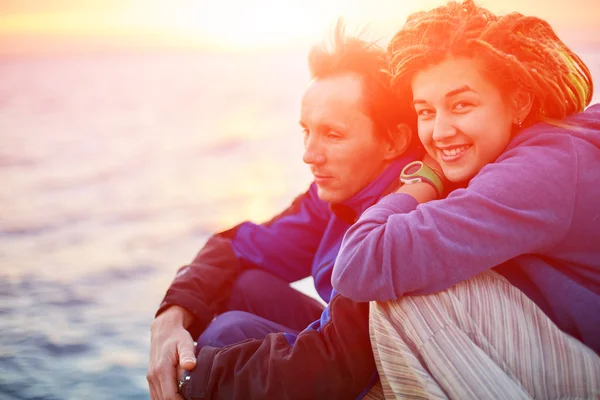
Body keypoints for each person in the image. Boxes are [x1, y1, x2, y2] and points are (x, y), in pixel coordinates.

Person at [331, 1, 600, 398]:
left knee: (407, 301)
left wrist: (426, 175)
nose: (439, 131)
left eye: (462, 105)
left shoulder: (539, 170)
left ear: (519, 102)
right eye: (425, 111)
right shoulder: (551, 148)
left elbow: (359, 262)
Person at [146, 23, 420, 400]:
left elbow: (339, 363)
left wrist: (196, 378)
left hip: (387, 376)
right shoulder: (336, 194)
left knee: (227, 334)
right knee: (240, 286)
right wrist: (170, 317)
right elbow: (236, 247)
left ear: (394, 141)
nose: (309, 154)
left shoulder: (405, 212)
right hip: (347, 349)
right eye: (306, 130)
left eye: (333, 134)